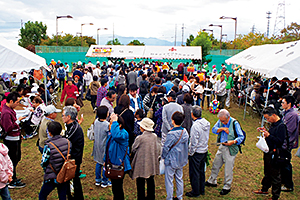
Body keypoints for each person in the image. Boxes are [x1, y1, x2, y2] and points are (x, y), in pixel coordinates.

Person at [205, 109, 245, 195]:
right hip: (222, 146)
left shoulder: (235, 123)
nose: (222, 122)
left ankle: (227, 186)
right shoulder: (220, 121)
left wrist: (233, 141)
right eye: (221, 120)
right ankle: (212, 181)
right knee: (216, 164)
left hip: (230, 149)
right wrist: (222, 128)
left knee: (228, 168)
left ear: (228, 117)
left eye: (224, 121)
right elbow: (214, 130)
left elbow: (241, 137)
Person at [253, 107, 287, 200]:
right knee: (267, 172)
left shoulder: (281, 126)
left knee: (275, 175)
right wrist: (265, 132)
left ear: (274, 115)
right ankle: (264, 189)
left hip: (275, 154)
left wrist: (269, 135)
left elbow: (279, 141)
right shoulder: (273, 124)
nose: (267, 120)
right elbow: (272, 135)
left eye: (268, 118)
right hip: (268, 151)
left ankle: (275, 196)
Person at [0, 92, 26, 188]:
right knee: (12, 160)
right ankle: (11, 180)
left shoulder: (9, 110)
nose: (18, 104)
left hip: (15, 137)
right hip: (11, 140)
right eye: (17, 102)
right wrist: (18, 121)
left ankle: (13, 177)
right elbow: (8, 127)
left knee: (16, 158)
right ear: (11, 101)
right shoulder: (6, 113)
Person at [39, 121, 70, 200]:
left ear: (49, 133)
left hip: (52, 175)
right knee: (62, 195)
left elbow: (44, 162)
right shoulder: (68, 142)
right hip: (64, 173)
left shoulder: (49, 146)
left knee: (42, 195)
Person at [131, 118, 160, 200]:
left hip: (141, 162)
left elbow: (133, 148)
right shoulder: (154, 136)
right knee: (151, 181)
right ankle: (151, 196)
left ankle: (141, 197)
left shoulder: (140, 138)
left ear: (143, 128)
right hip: (151, 161)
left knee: (140, 182)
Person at [162, 111, 189, 200]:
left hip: (171, 160)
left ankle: (169, 197)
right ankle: (179, 196)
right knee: (179, 178)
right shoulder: (184, 132)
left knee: (169, 180)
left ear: (173, 121)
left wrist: (163, 156)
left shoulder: (171, 134)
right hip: (181, 159)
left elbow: (166, 147)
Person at [186, 106, 210, 197]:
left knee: (194, 172)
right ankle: (201, 189)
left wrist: (190, 153)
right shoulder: (206, 123)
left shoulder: (195, 126)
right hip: (204, 149)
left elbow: (193, 141)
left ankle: (195, 191)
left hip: (197, 152)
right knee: (201, 171)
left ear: (192, 114)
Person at [106, 113, 131, 200]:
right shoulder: (112, 134)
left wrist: (115, 121)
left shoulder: (123, 135)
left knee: (118, 188)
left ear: (119, 125)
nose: (110, 125)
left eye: (111, 123)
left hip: (119, 165)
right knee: (115, 188)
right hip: (113, 164)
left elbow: (116, 135)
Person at [62, 106, 84, 200]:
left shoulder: (74, 128)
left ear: (69, 117)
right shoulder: (72, 126)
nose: (62, 117)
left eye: (63, 115)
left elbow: (66, 141)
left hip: (74, 159)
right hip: (73, 157)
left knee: (74, 179)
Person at [279, 95, 299, 192]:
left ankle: (288, 185)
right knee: (282, 162)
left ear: (289, 104)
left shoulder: (293, 115)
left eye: (283, 102)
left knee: (286, 163)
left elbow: (288, 131)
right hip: (283, 142)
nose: (282, 104)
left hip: (287, 143)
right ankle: (283, 180)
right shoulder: (287, 113)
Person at [92, 106, 112, 188]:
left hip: (97, 145)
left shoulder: (96, 121)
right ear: (106, 114)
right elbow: (110, 135)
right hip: (104, 147)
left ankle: (97, 179)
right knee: (105, 164)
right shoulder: (107, 125)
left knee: (98, 163)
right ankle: (104, 181)